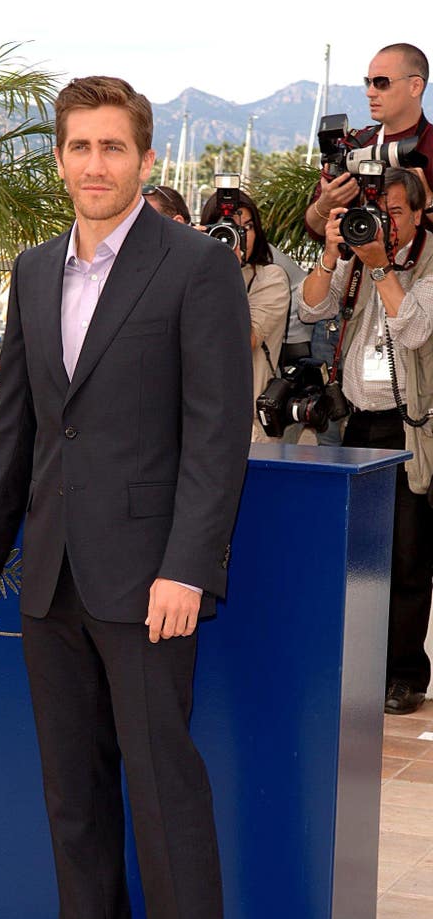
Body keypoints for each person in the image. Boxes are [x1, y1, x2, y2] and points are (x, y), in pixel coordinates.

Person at [0, 75, 253, 919]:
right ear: (58, 160)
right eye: (78, 147)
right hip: (49, 574)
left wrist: (187, 566)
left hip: (148, 580)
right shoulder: (34, 271)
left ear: (145, 158)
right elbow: (18, 429)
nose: (94, 164)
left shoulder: (194, 267)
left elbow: (217, 435)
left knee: (163, 784)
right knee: (70, 783)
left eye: (112, 147)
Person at [298, 167, 433, 715]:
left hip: (410, 429)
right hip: (356, 424)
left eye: (397, 212)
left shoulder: (427, 261)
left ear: (421, 214)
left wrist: (380, 266)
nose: (385, 222)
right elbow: (310, 308)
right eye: (383, 210)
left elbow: (416, 327)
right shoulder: (356, 253)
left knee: (406, 559)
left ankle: (404, 675)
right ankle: (359, 670)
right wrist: (334, 254)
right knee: (358, 556)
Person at [306, 43, 433, 241]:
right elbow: (315, 231)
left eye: (382, 82)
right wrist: (325, 203)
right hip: (357, 267)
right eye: (369, 82)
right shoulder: (354, 145)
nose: (370, 92)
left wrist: (428, 201)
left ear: (415, 86)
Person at [201, 191, 290, 442]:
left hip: (248, 426)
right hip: (199, 421)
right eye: (227, 229)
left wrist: (223, 273)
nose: (240, 238)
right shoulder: (192, 277)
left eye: (247, 228)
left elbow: (242, 342)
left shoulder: (270, 278)